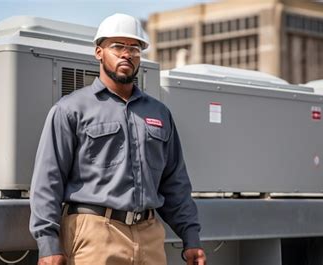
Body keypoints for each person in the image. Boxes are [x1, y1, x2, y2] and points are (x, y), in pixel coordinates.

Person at [29, 13, 206, 265]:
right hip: (94, 235)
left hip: (150, 236)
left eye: (134, 48)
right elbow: (48, 180)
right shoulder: (70, 109)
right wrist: (47, 243)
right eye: (118, 46)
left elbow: (174, 181)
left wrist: (191, 238)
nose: (127, 54)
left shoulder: (158, 113)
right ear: (99, 53)